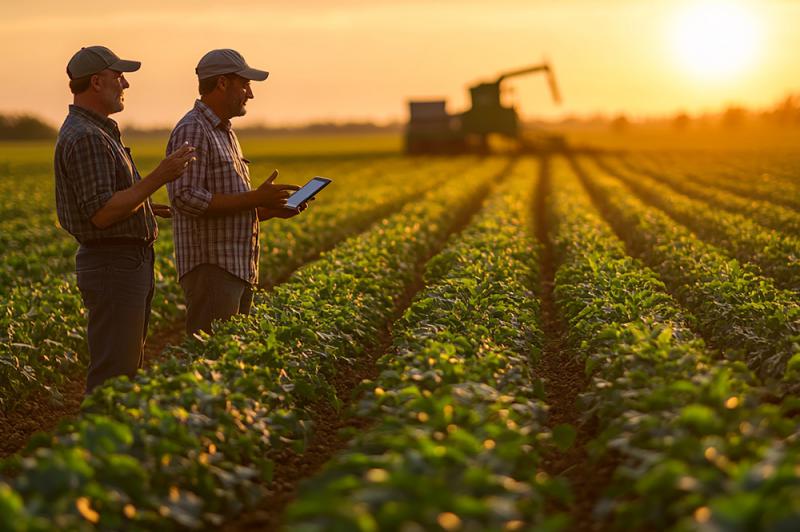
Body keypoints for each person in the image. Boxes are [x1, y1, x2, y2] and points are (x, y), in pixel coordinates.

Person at [54, 46, 195, 393]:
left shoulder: (96, 130)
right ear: (97, 82)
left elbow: (109, 203)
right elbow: (101, 213)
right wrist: (158, 177)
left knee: (125, 369)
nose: (125, 85)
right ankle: (97, 445)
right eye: (119, 77)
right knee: (115, 376)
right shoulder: (87, 136)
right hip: (113, 264)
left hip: (121, 263)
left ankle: (106, 442)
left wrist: (145, 205)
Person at [167, 49, 308, 335]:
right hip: (212, 269)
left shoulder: (223, 131)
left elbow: (228, 205)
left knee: (230, 356)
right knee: (211, 362)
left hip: (235, 267)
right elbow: (186, 197)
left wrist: (267, 210)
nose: (250, 94)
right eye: (245, 84)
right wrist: (254, 198)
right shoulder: (194, 129)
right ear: (222, 83)